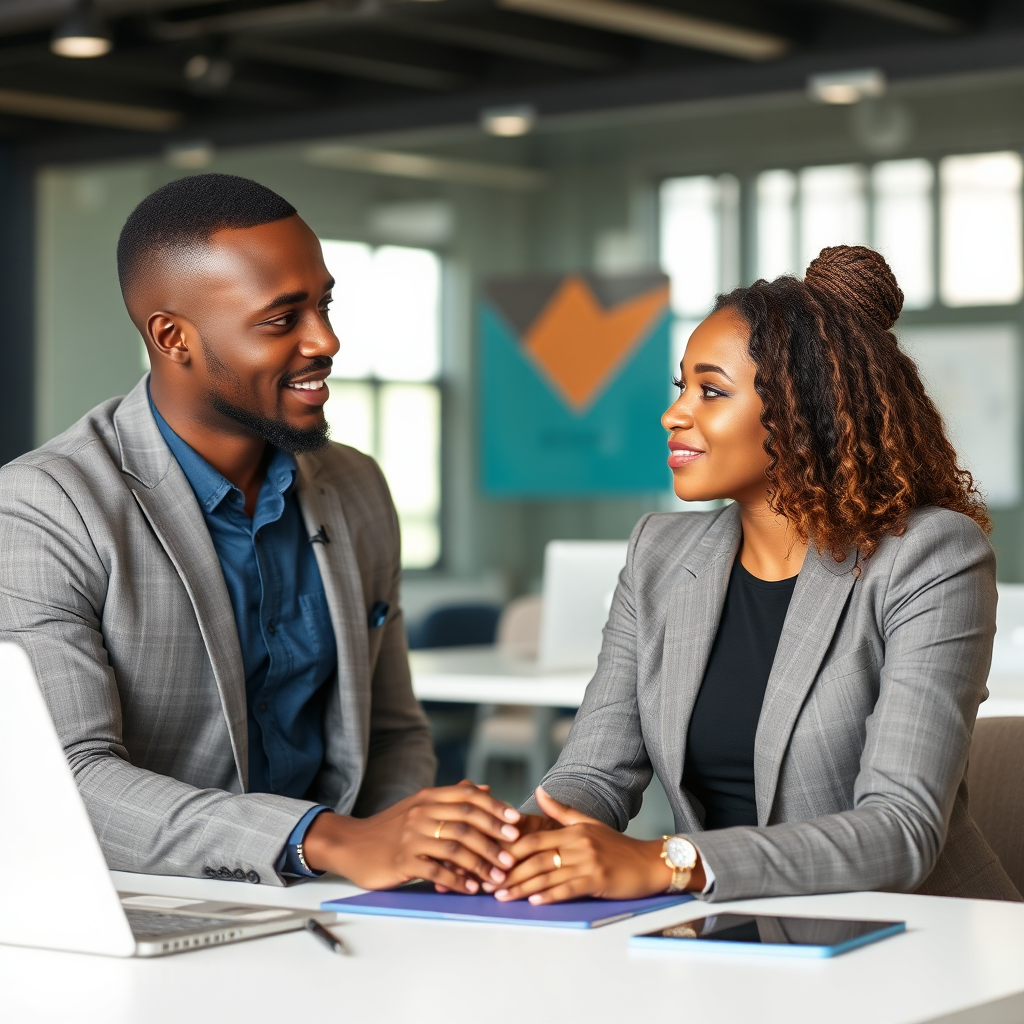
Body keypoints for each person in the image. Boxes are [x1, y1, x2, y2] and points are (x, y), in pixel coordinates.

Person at [0, 173, 521, 891]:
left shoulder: (357, 488)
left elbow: (395, 731)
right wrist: (328, 841)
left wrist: (415, 857)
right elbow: (72, 781)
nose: (326, 340)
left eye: (325, 304)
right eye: (282, 319)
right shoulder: (45, 507)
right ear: (172, 336)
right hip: (151, 911)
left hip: (342, 908)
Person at [494, 245, 1022, 905]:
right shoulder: (659, 554)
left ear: (806, 412)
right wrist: (517, 842)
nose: (675, 413)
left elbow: (900, 830)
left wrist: (671, 863)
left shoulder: (930, 555)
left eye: (711, 391)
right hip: (731, 937)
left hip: (914, 943)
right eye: (681, 387)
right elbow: (593, 776)